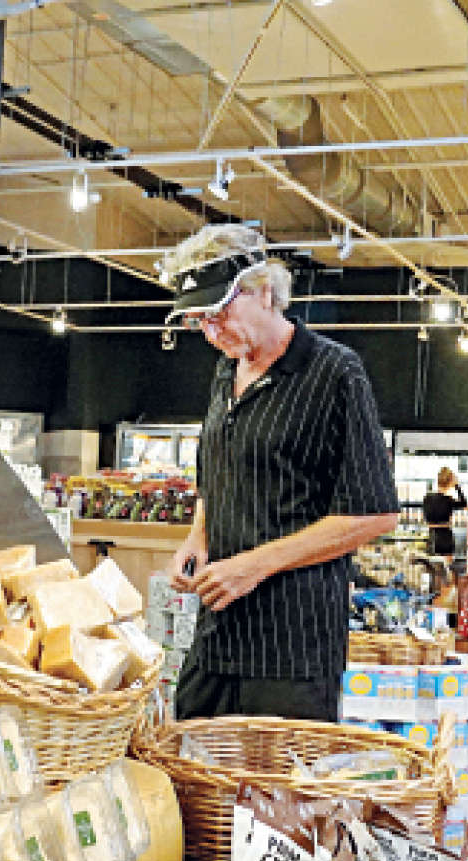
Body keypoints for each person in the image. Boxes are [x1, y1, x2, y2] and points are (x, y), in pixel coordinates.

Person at [161, 224, 400, 721]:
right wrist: (197, 537)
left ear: (265, 292)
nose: (211, 332)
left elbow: (375, 513)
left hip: (292, 650)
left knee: (279, 774)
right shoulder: (225, 372)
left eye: (219, 312)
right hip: (217, 634)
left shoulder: (335, 372)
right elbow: (217, 472)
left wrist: (254, 565)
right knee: (189, 758)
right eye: (199, 321)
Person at [422, 467, 467, 557]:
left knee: (431, 563)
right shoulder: (449, 500)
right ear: (450, 483)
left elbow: (426, 517)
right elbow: (464, 504)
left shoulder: (427, 498)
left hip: (431, 536)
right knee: (446, 564)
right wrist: (457, 486)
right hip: (446, 536)